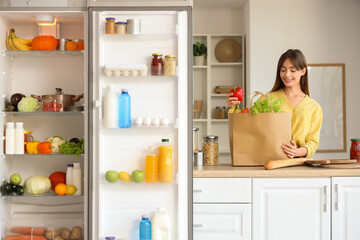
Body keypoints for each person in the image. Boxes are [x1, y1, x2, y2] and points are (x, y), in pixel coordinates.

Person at [227, 49, 323, 158]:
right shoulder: (266, 99)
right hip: (270, 161)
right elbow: (248, 126)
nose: (287, 74)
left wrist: (297, 152)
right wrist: (233, 107)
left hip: (299, 164)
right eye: (283, 70)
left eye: (293, 70)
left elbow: (313, 142)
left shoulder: (314, 107)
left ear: (303, 71)